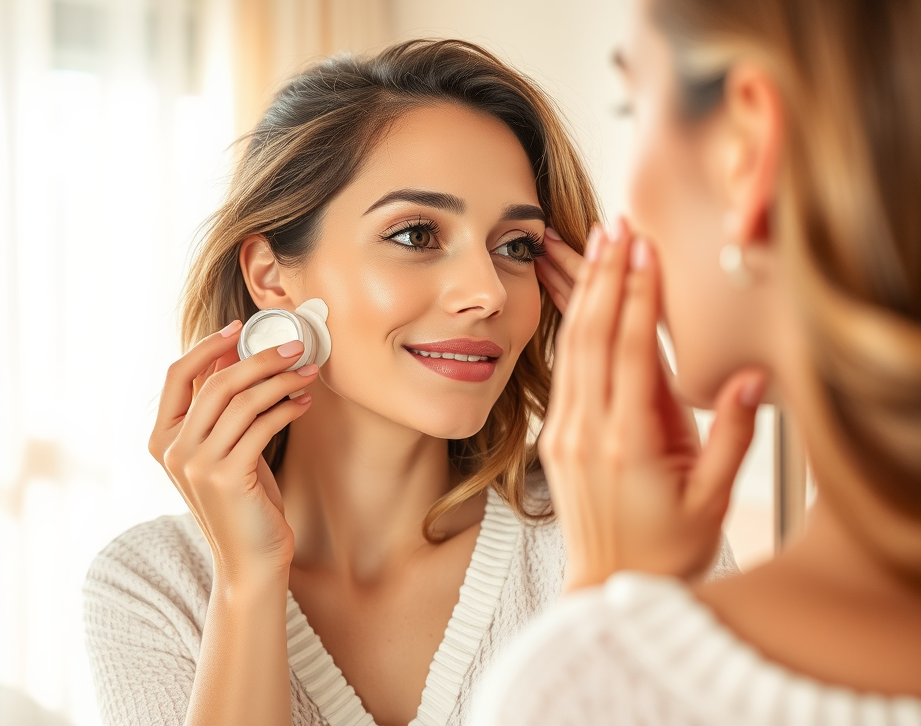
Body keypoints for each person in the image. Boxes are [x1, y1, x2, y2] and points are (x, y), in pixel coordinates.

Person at [82, 38, 737, 726]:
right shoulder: (154, 587)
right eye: (417, 234)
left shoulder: (601, 531)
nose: (487, 292)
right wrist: (247, 584)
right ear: (271, 275)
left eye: (515, 247)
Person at [471, 0, 921, 724]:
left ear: (746, 149)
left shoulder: (589, 683)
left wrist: (611, 630)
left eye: (630, 104)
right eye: (415, 235)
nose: (481, 294)